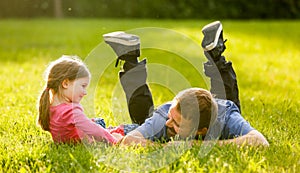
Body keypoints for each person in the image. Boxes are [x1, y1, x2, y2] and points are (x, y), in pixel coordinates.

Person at [103, 21, 269, 147]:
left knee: (227, 105)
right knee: (146, 120)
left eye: (177, 124)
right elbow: (129, 141)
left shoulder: (227, 118)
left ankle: (130, 56)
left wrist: (196, 145)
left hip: (220, 114)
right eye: (172, 118)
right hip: (188, 113)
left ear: (200, 131)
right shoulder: (164, 117)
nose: (169, 123)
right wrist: (164, 146)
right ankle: (215, 53)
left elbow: (261, 142)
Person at [37, 55, 126, 144]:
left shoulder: (50, 107)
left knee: (98, 121)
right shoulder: (70, 111)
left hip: (80, 135)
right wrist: (114, 141)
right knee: (127, 129)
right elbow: (94, 130)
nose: (85, 92)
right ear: (65, 83)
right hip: (91, 137)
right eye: (83, 86)